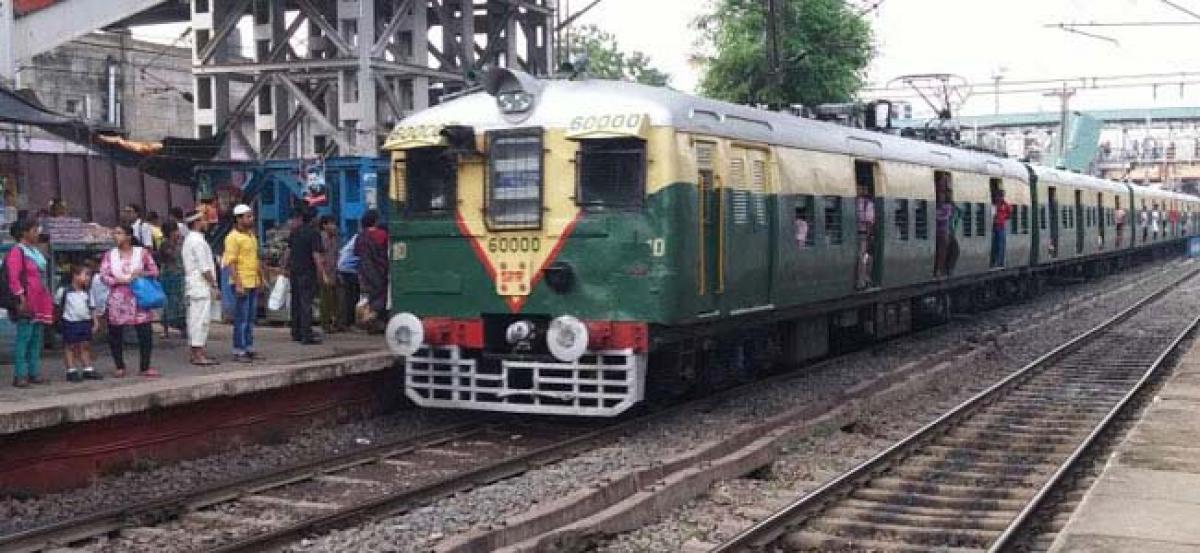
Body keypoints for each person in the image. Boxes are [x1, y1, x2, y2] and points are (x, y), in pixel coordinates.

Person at [101, 224, 160, 378]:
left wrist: (141, 273)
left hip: (139, 297)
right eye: (114, 233)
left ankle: (145, 366)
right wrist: (116, 280)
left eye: (119, 233)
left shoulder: (142, 253)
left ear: (128, 236)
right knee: (115, 332)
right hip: (118, 297)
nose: (115, 236)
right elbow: (103, 275)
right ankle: (119, 365)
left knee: (145, 332)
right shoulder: (110, 255)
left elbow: (154, 270)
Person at [7, 219, 53, 387]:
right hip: (27, 299)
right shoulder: (17, 252)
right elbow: (13, 278)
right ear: (24, 233)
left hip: (40, 298)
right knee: (24, 338)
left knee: (36, 338)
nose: (37, 233)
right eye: (34, 230)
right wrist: (20, 297)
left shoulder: (34, 251)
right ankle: (20, 375)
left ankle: (34, 372)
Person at [223, 204, 267, 362]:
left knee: (250, 317)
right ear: (239, 218)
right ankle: (239, 349)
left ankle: (249, 347)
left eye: (251, 216)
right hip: (241, 282)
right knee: (241, 318)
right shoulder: (232, 238)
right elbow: (231, 263)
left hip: (253, 281)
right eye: (248, 216)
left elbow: (256, 259)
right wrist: (238, 283)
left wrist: (261, 278)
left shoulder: (251, 236)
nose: (251, 219)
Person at [182, 210, 219, 365]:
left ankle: (197, 352)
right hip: (200, 285)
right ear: (197, 223)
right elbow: (204, 268)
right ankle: (198, 354)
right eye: (203, 220)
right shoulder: (197, 242)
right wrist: (214, 285)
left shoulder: (191, 240)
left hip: (195, 284)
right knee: (200, 320)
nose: (206, 223)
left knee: (195, 319)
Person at [286, 206, 326, 344]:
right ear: (313, 218)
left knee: (295, 302)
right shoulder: (314, 234)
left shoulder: (295, 232)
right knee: (306, 303)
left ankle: (295, 332)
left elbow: (288, 252)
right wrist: (321, 273)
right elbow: (316, 255)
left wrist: (284, 267)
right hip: (307, 272)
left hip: (294, 271)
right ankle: (306, 334)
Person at [57, 265, 102, 382]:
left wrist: (95, 322)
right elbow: (57, 306)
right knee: (69, 346)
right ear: (75, 276)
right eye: (85, 275)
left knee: (85, 345)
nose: (88, 278)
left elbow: (92, 308)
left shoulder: (87, 292)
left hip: (85, 322)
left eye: (89, 275)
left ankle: (87, 368)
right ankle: (71, 370)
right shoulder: (64, 291)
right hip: (70, 322)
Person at [355, 209, 389, 332]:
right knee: (380, 297)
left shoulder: (360, 236)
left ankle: (370, 322)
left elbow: (356, 253)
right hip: (379, 270)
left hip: (363, 271)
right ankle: (371, 319)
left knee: (368, 296)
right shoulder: (382, 234)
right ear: (375, 221)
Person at [157, 222, 186, 339]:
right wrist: (177, 244)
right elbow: (171, 256)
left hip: (179, 275)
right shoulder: (165, 244)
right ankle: (166, 328)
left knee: (180, 302)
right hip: (168, 276)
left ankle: (183, 328)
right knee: (168, 301)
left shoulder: (181, 242)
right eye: (176, 231)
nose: (178, 233)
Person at [317, 215, 341, 333]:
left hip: (333, 272)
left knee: (333, 299)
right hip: (323, 272)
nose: (334, 226)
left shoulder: (334, 239)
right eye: (331, 224)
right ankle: (325, 324)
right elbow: (319, 256)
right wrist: (323, 273)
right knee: (325, 299)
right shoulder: (320, 238)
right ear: (324, 225)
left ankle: (333, 322)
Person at [337, 230, 361, 330]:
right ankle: (349, 323)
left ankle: (346, 322)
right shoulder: (360, 238)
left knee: (348, 297)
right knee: (352, 297)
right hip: (348, 269)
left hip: (344, 267)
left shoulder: (356, 237)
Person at [991, 189, 1011, 268]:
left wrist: (1002, 218)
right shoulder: (994, 204)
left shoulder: (1005, 205)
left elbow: (1009, 214)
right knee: (994, 245)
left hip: (1000, 226)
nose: (999, 197)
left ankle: (999, 262)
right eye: (998, 196)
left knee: (1000, 245)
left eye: (1001, 196)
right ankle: (994, 261)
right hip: (994, 226)